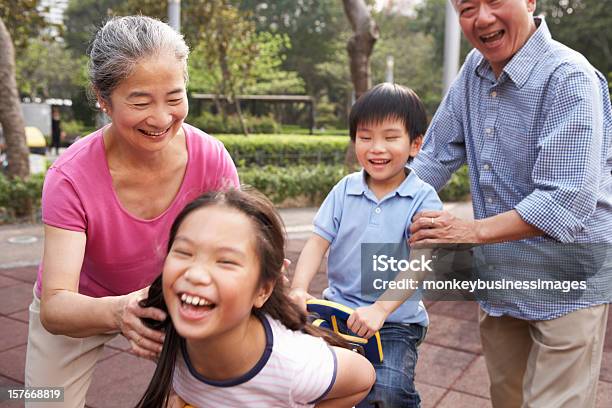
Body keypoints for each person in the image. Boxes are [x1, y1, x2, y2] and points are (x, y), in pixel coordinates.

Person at [24, 16, 240, 408]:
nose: (161, 118)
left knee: (215, 394)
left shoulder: (210, 159)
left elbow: (238, 248)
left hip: (176, 296)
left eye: (174, 98)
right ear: (102, 99)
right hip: (82, 303)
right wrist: (118, 311)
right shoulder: (70, 177)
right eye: (140, 102)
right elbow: (55, 305)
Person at [409, 1, 612, 407]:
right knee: (507, 398)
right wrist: (375, 204)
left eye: (495, 1)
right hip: (502, 278)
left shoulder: (568, 77)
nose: (482, 18)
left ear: (530, 1)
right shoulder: (475, 69)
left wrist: (468, 231)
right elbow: (435, 155)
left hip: (569, 279)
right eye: (467, 7)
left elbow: (566, 201)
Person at [136, 189, 376, 407]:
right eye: (184, 252)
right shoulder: (161, 326)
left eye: (226, 261)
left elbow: (363, 378)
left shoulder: (294, 366)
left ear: (263, 290)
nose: (196, 274)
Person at [290, 83, 443, 407]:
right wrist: (299, 290)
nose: (376, 148)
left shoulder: (423, 198)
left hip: (394, 321)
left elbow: (421, 263)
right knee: (307, 379)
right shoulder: (345, 190)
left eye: (390, 137)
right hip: (337, 311)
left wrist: (381, 309)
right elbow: (317, 243)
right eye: (365, 137)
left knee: (387, 391)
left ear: (415, 144)